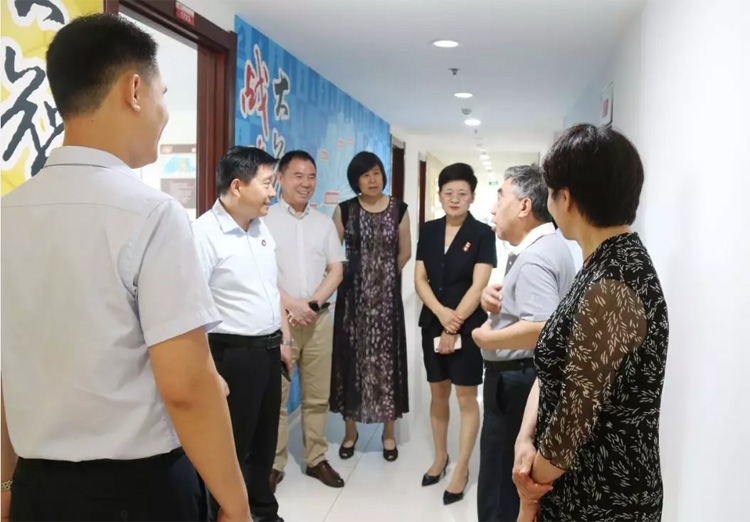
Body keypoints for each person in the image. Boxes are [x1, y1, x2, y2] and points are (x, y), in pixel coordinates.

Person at [0, 14, 249, 522]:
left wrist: (6, 483)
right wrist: (237, 505)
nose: (164, 112)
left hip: (36, 490)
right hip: (138, 493)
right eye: (162, 94)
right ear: (134, 90)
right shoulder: (152, 215)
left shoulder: (8, 214)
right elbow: (186, 387)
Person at [512, 124, 669, 522]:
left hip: (600, 500)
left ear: (565, 198)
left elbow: (572, 424)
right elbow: (557, 372)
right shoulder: (602, 263)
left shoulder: (613, 284)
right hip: (576, 486)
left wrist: (529, 487)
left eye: (550, 192)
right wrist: (525, 437)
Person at [193, 146, 293, 522]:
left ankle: (263, 512)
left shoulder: (261, 228)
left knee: (264, 444)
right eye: (267, 183)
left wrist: (283, 340)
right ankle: (225, 514)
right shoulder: (203, 234)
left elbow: (271, 288)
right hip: (231, 356)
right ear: (237, 186)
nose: (273, 192)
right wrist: (209, 371)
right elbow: (191, 309)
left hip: (267, 352)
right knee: (230, 448)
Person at [471, 164, 576, 522]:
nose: (493, 209)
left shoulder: (535, 257)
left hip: (516, 380)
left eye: (500, 197)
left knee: (500, 487)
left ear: (524, 206)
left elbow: (543, 326)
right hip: (522, 377)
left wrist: (487, 337)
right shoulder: (547, 247)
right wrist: (495, 300)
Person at [414, 163, 496, 505]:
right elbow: (420, 279)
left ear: (472, 197)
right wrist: (441, 314)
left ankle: (461, 468)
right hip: (434, 321)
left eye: (462, 193)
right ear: (439, 195)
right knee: (438, 393)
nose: (455, 198)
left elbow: (479, 285)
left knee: (465, 397)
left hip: (469, 325)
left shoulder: (482, 233)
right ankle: (440, 457)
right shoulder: (429, 230)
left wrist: (455, 322)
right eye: (448, 192)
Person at [265, 151, 346, 490]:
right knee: (277, 397)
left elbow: (336, 270)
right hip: (277, 322)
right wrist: (293, 306)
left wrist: (310, 305)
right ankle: (273, 463)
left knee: (317, 396)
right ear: (280, 179)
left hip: (318, 320)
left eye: (311, 176)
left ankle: (316, 458)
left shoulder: (323, 223)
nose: (306, 183)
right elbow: (261, 273)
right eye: (298, 175)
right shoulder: (263, 219)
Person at [330, 151, 411, 461]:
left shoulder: (399, 209)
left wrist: (382, 276)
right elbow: (332, 253)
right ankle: (350, 433)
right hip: (352, 303)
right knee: (351, 364)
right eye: (365, 175)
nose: (372, 179)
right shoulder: (344, 211)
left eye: (376, 173)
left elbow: (404, 252)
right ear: (356, 181)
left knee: (387, 365)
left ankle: (389, 435)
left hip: (387, 303)